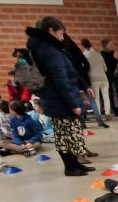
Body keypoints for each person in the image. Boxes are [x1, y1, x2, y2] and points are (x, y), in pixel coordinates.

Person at [25, 17, 92, 176]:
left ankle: (75, 164)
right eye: (61, 33)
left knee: (68, 135)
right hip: (60, 102)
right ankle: (71, 167)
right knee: (66, 137)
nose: (63, 36)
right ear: (51, 31)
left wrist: (83, 86)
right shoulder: (49, 50)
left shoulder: (44, 47)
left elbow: (67, 74)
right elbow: (61, 80)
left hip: (56, 100)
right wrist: (74, 104)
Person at [81, 39, 111, 121]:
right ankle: (108, 114)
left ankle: (99, 115)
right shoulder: (98, 54)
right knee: (106, 97)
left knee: (96, 98)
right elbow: (105, 68)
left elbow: (84, 69)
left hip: (93, 79)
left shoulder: (84, 56)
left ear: (82, 45)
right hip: (104, 78)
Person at [100, 39, 118, 116]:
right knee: (109, 94)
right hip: (106, 76)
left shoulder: (113, 53)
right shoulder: (102, 54)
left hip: (113, 76)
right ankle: (111, 110)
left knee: (114, 93)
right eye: (110, 43)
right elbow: (108, 66)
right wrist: (115, 59)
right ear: (106, 45)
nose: (112, 45)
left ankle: (117, 110)